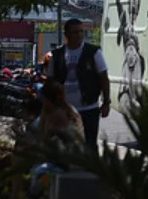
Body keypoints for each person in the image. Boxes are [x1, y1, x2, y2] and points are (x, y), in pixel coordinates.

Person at [45, 18, 111, 148]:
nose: (79, 35)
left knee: (89, 144)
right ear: (67, 34)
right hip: (65, 109)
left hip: (88, 107)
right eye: (75, 32)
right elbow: (50, 81)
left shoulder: (93, 52)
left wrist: (106, 102)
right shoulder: (57, 55)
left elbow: (103, 77)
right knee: (65, 142)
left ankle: (89, 167)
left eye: (81, 32)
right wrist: (50, 105)